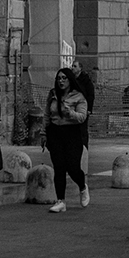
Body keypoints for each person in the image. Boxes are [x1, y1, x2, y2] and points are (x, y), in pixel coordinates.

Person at [43, 67, 91, 213]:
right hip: (55, 133)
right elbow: (47, 114)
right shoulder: (53, 94)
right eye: (59, 78)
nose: (61, 81)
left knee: (72, 167)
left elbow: (82, 117)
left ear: (70, 80)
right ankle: (60, 201)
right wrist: (43, 133)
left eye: (64, 78)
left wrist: (69, 113)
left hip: (72, 133)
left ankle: (82, 186)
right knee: (59, 168)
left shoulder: (78, 96)